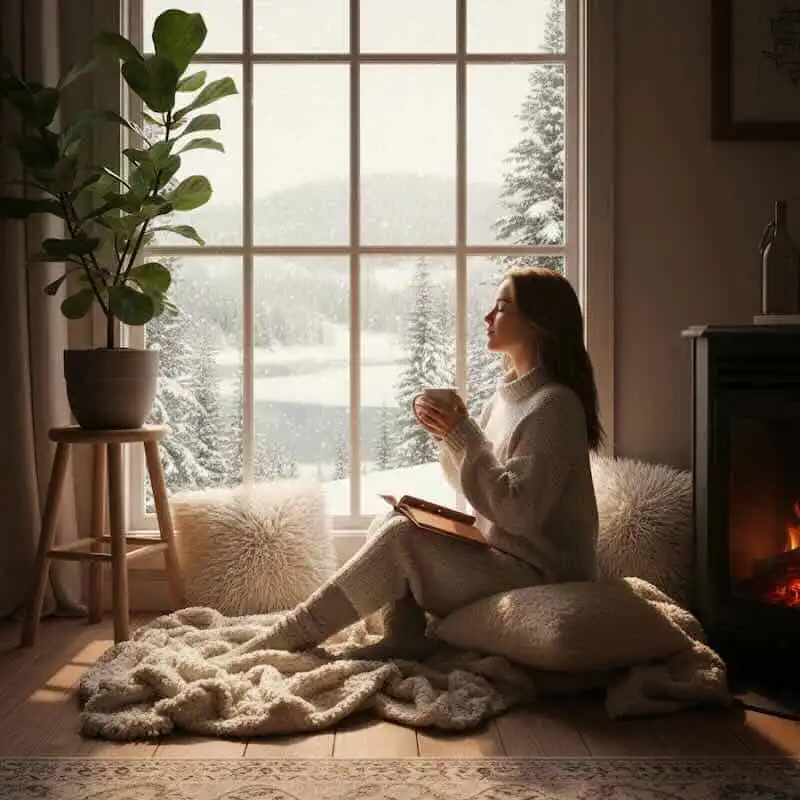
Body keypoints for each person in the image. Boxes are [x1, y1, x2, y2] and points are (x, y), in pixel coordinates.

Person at [238, 266, 602, 656]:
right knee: (392, 521)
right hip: (504, 556)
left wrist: (462, 433)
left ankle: (294, 633)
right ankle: (404, 637)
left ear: (538, 321)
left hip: (540, 575)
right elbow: (472, 481)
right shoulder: (506, 397)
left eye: (501, 307)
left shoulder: (555, 405)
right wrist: (448, 433)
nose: (487, 317)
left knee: (401, 538)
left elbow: (517, 512)